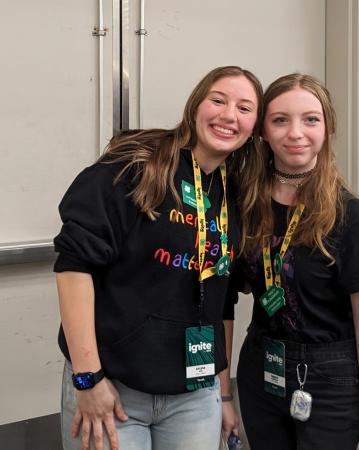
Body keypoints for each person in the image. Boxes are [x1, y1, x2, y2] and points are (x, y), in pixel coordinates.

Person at [54, 66, 263, 450]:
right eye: (218, 100)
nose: (229, 115)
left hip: (195, 396)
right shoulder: (138, 164)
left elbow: (223, 300)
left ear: (254, 127)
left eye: (245, 108)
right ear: (196, 104)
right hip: (115, 389)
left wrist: (225, 393)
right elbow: (73, 266)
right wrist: (87, 378)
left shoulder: (236, 194)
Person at [231, 73, 359, 450]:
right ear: (263, 131)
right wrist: (222, 396)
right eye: (280, 119)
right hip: (261, 368)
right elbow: (225, 296)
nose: (295, 132)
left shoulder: (349, 216)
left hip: (328, 378)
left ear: (328, 128)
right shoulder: (245, 204)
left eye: (311, 119)